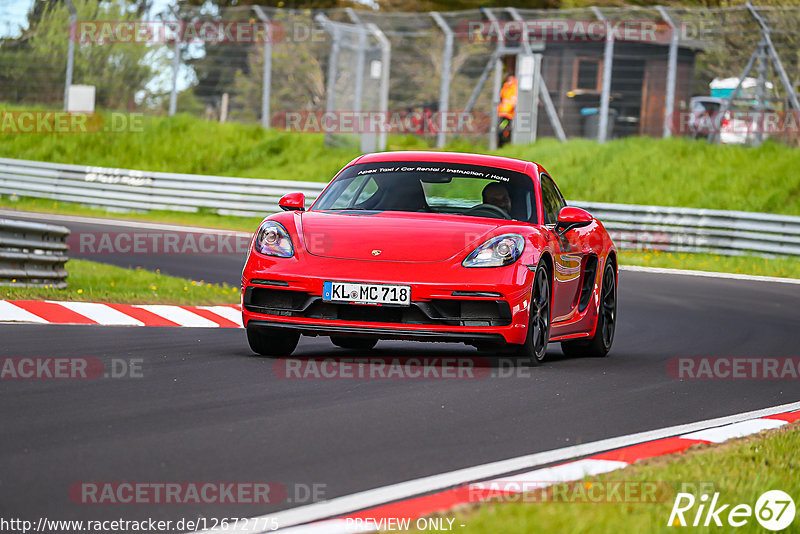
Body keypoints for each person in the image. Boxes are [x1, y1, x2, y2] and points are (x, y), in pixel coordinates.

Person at [497, 74, 517, 147]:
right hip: (506, 112)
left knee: (505, 126)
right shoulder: (509, 87)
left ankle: (504, 138)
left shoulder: (508, 87)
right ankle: (504, 139)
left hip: (507, 112)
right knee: (504, 126)